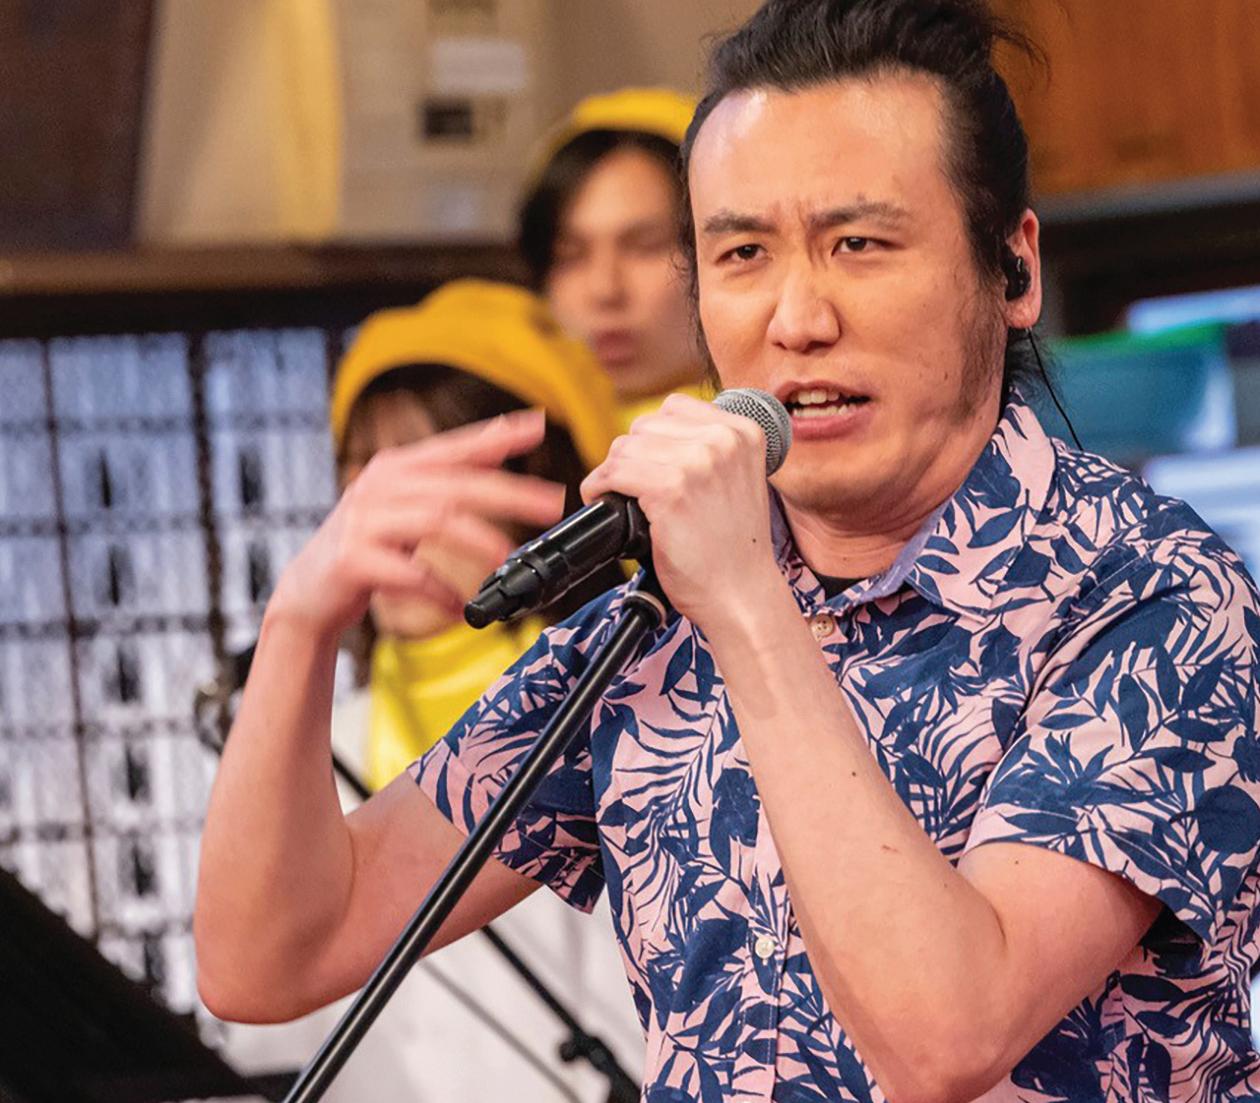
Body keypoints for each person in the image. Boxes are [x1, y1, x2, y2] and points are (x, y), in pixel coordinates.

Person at [197, 3, 1260, 1101]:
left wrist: (747, 605)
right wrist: (301, 621)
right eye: (743, 253)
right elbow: (270, 960)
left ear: (1013, 268)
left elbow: (947, 1036)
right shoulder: (655, 618)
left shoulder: (1155, 597)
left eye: (859, 244)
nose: (798, 318)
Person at [212, 280, 642, 1101]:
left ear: (543, 486)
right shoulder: (308, 746)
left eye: (436, 472)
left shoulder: (633, 709)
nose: (396, 518)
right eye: (367, 476)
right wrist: (294, 625)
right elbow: (253, 1013)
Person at [519, 88, 710, 429]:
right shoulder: (502, 433)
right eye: (569, 255)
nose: (605, 290)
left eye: (645, 247)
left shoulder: (777, 444)